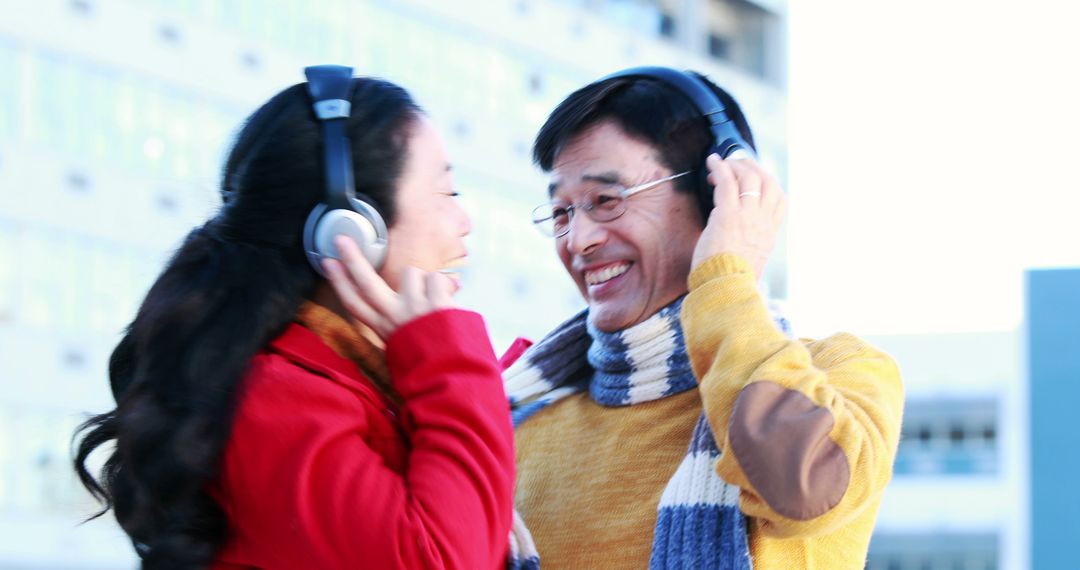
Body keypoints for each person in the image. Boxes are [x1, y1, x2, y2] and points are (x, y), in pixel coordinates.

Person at [72, 67, 514, 569]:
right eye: (446, 194)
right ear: (349, 226)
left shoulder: (346, 383)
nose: (464, 222)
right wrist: (445, 359)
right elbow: (440, 559)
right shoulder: (272, 399)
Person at [503, 68, 904, 569]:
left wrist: (726, 279)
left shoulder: (837, 374)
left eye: (606, 201)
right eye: (562, 213)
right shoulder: (517, 420)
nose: (578, 241)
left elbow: (803, 487)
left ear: (716, 195)